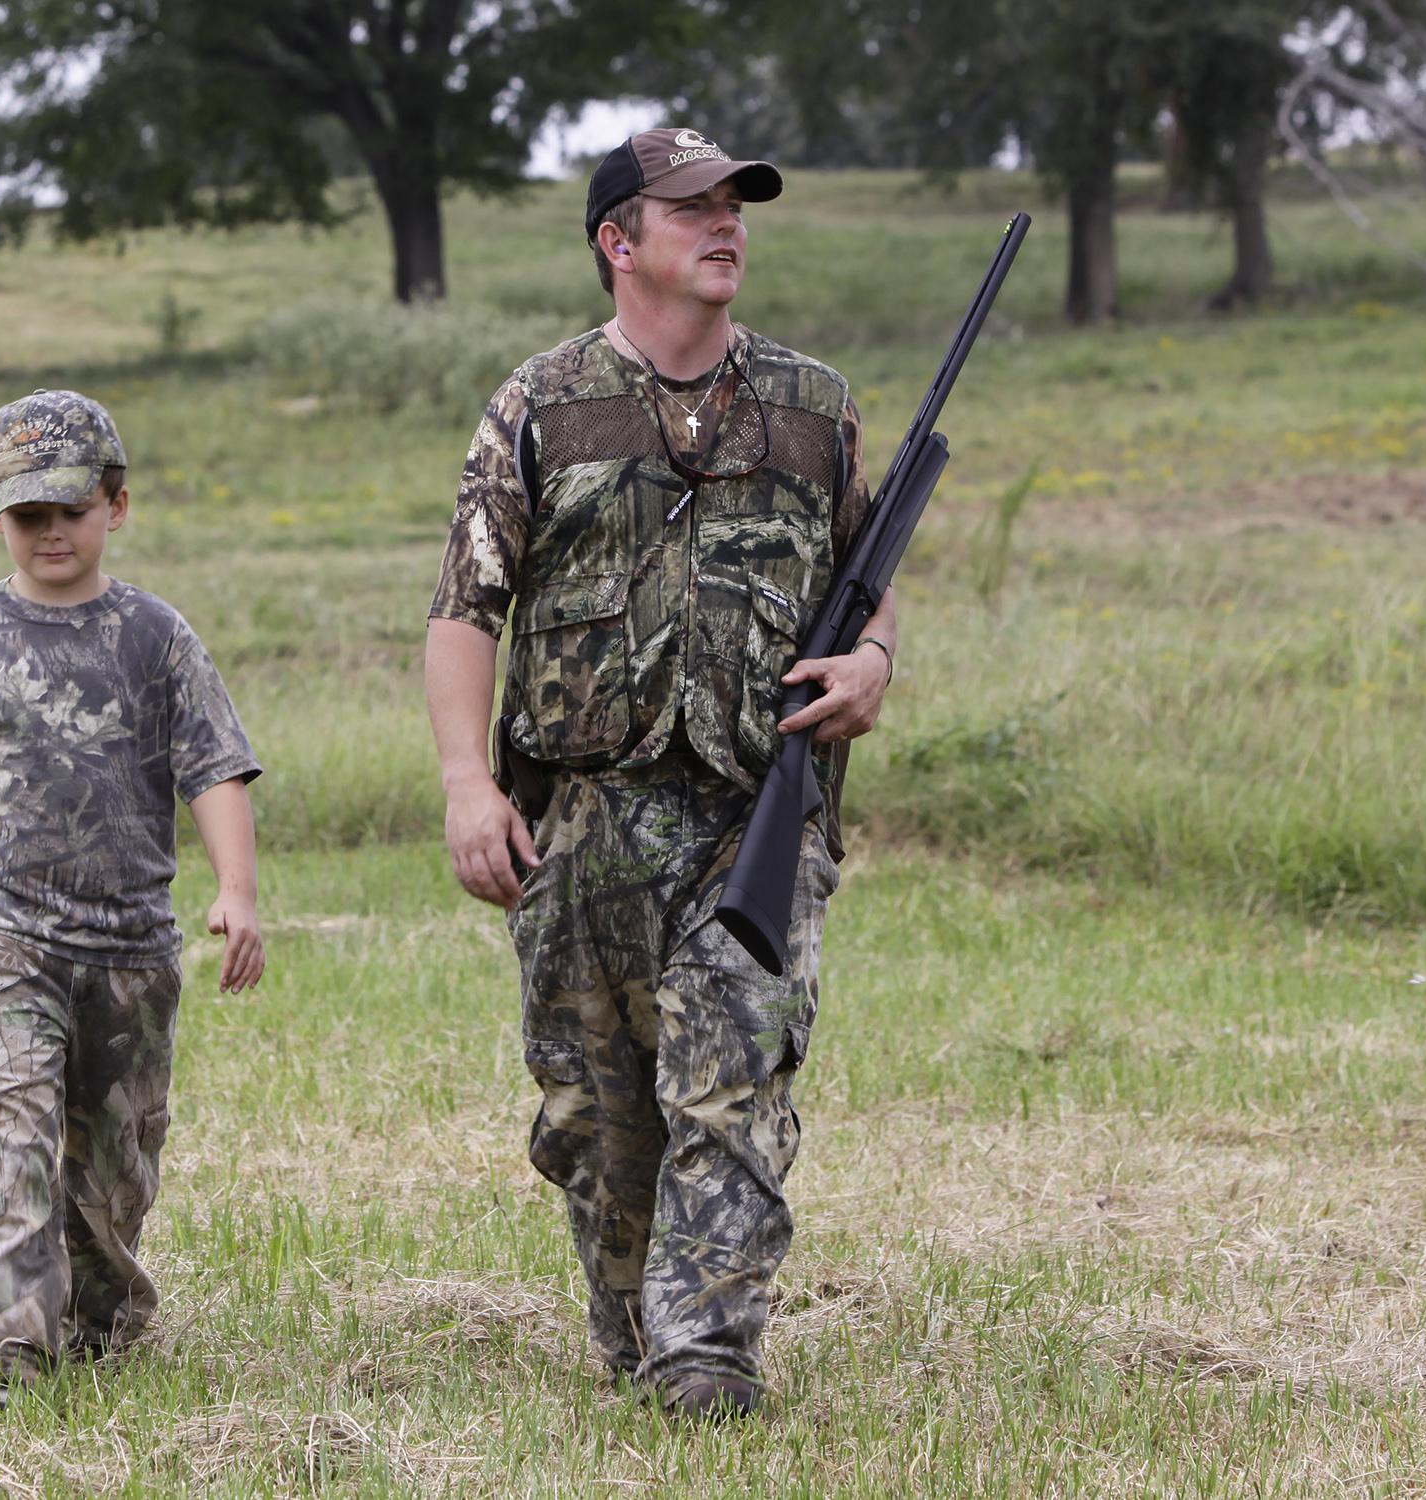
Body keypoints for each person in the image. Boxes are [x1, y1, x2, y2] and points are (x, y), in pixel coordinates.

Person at [423, 127, 898, 1418]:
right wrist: (470, 786)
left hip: (758, 808)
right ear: (617, 244)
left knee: (732, 1085)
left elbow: (869, 593)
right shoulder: (539, 405)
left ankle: (709, 1358)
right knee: (597, 1115)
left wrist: (870, 671)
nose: (726, 223)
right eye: (692, 207)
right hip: (578, 821)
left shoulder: (815, 406)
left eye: (737, 203)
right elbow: (466, 610)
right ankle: (636, 1331)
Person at [0, 388, 265, 1399]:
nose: (52, 533)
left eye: (71, 511)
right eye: (29, 515)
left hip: (129, 948)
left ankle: (101, 1319)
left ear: (117, 506)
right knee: (7, 1136)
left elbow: (214, 769)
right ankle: (7, 1353)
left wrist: (237, 891)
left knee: (110, 1175)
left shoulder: (157, 638)